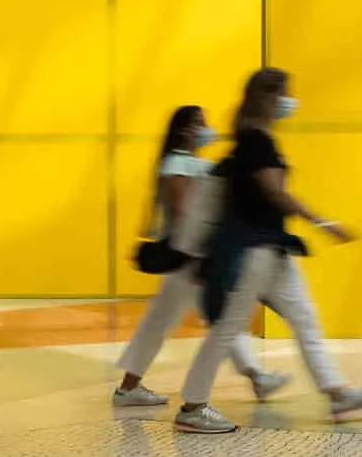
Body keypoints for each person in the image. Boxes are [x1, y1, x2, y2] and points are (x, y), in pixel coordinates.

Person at [172, 69, 362, 434]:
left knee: (305, 316)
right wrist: (323, 223)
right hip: (252, 252)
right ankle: (192, 408)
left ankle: (337, 393)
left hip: (271, 249)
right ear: (269, 97)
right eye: (286, 94)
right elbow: (275, 192)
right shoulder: (257, 142)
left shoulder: (251, 140)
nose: (290, 102)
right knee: (227, 329)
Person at [111, 105, 288, 407]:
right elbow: (184, 214)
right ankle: (256, 377)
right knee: (217, 316)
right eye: (200, 124)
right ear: (184, 130)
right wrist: (202, 254)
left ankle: (129, 388)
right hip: (190, 257)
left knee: (183, 319)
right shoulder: (177, 165)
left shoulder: (187, 163)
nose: (207, 129)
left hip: (190, 256)